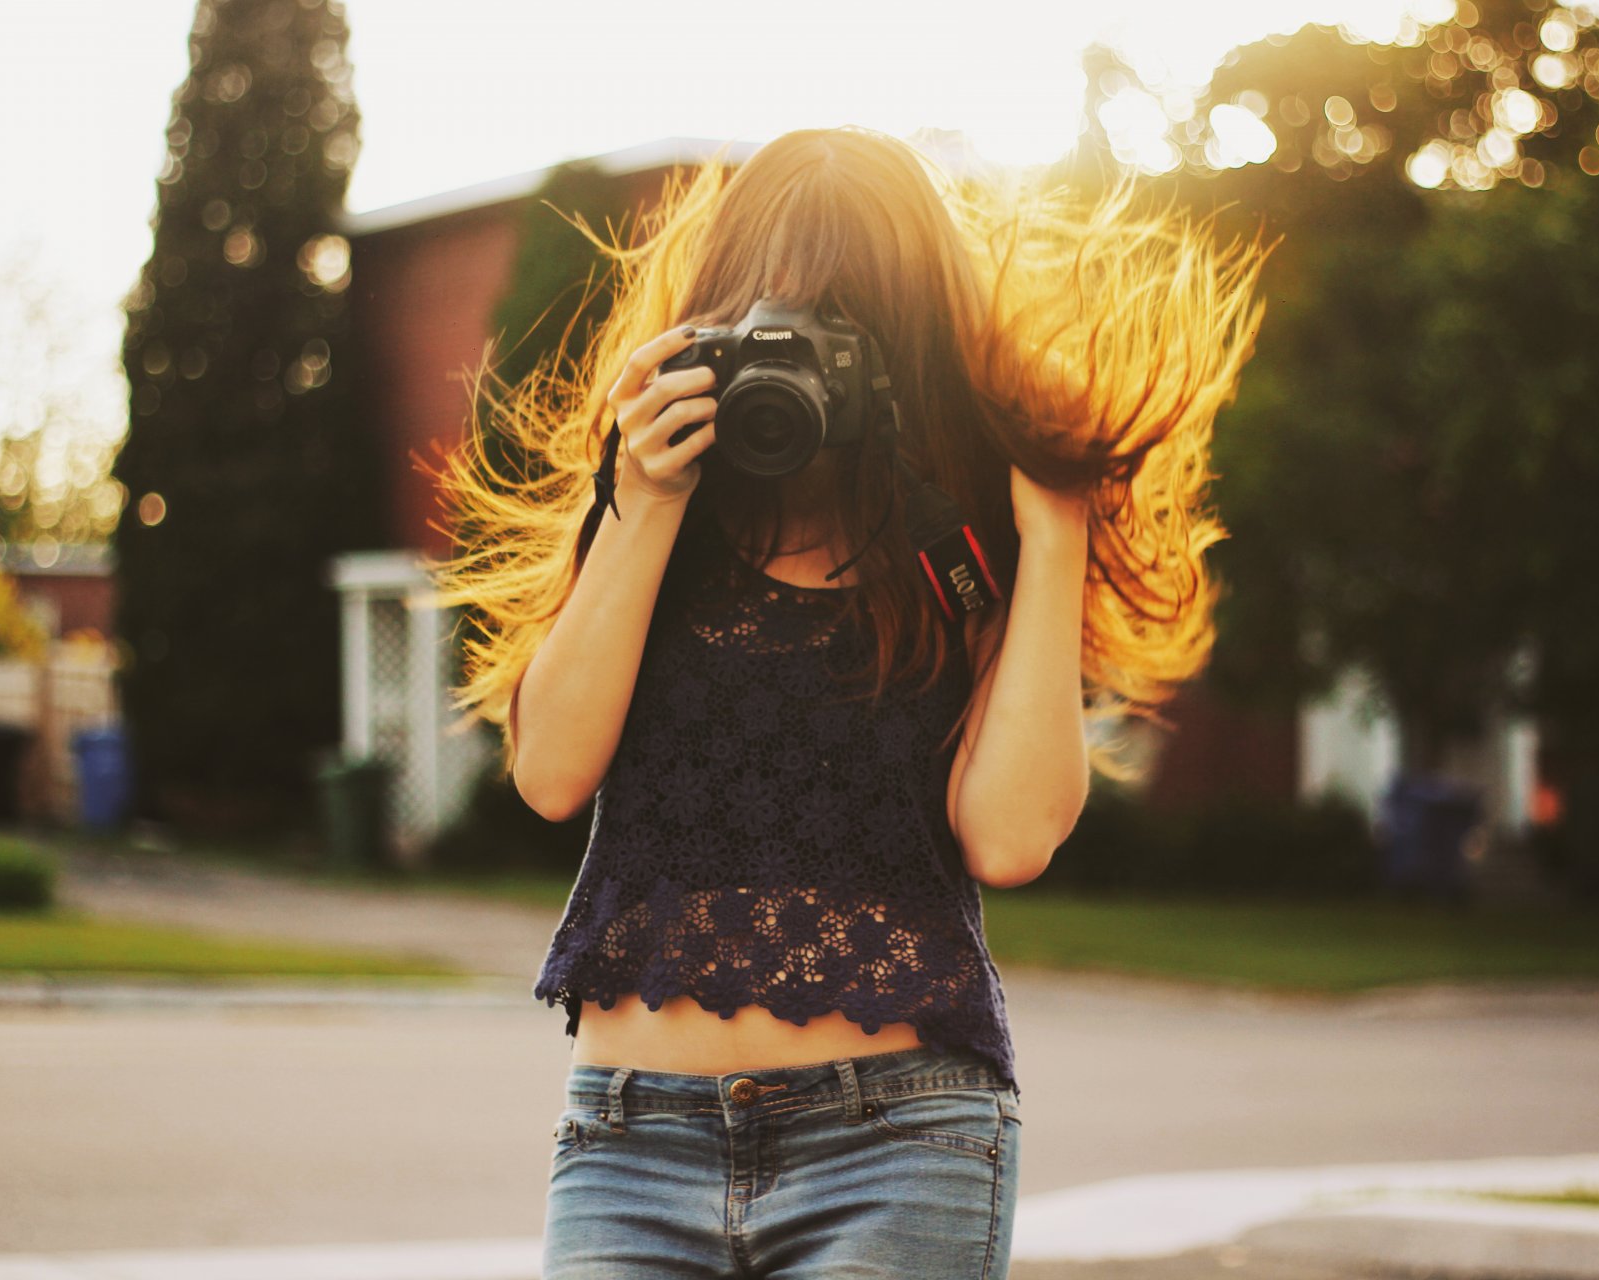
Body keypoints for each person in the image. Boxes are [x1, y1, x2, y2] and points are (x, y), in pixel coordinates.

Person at [435, 125, 1266, 1280]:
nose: (798, 359)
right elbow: (549, 771)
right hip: (630, 1149)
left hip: (900, 1146)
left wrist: (1054, 530)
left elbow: (1013, 834)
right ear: (714, 321)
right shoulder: (651, 514)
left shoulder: (958, 545)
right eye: (769, 320)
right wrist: (643, 493)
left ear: (907, 348)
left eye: (842, 331)